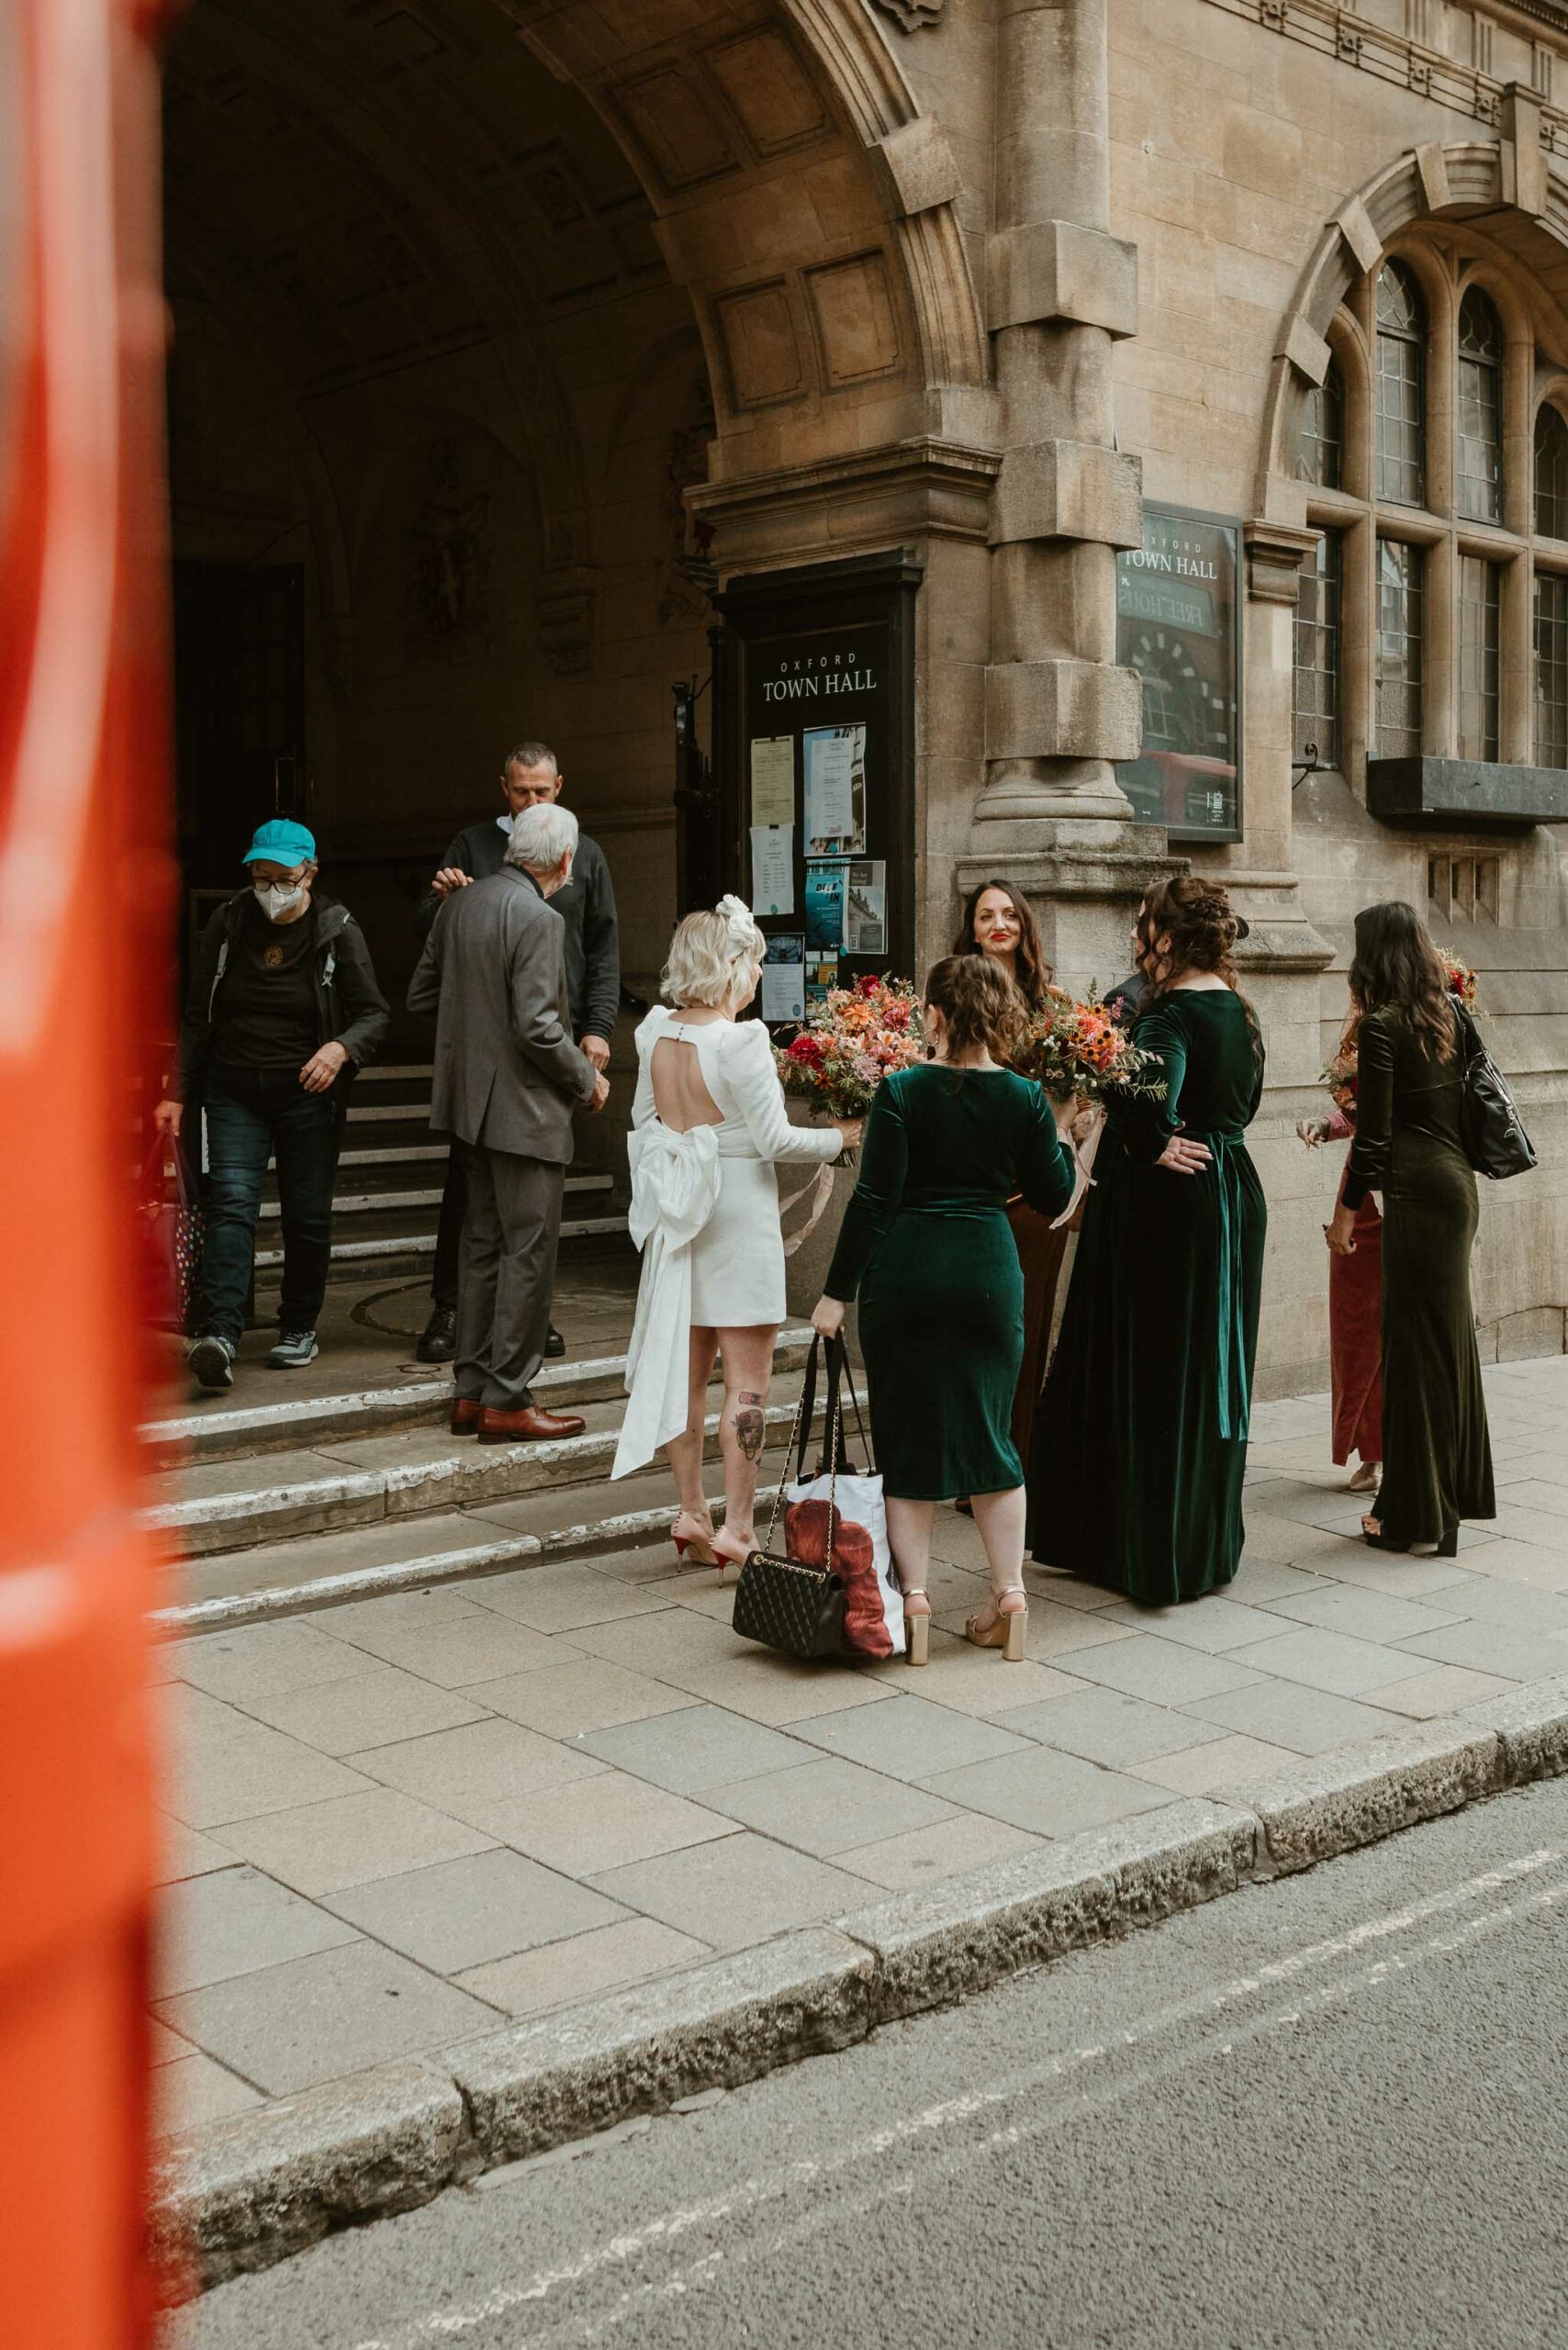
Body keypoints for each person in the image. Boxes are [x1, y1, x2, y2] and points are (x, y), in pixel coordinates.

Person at [812, 957, 1077, 1664]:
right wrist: (1062, 1128)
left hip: (908, 1276)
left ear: (933, 1014)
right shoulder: (1023, 1097)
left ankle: (919, 1603)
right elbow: (1053, 1198)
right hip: (988, 1275)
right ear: (997, 1018)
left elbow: (873, 1202)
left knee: (909, 1441)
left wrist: (836, 1292)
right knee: (993, 1436)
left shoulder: (900, 1092)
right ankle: (1010, 1594)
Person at [1029, 878, 1266, 1605]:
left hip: (1168, 1208)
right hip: (1231, 1188)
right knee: (1205, 1370)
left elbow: (1145, 1105)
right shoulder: (1239, 1008)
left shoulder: (1168, 1016)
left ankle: (1148, 1552)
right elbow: (1246, 1103)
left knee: (1154, 1372)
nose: (1137, 936)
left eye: (1143, 925)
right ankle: (1200, 1547)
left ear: (1167, 937)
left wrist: (1152, 1140)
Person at [611, 899, 858, 1570]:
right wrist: (838, 1140)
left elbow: (647, 1124)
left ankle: (691, 1511)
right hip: (738, 1218)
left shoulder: (655, 1034)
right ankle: (740, 1528)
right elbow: (776, 1140)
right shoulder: (741, 1042)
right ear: (730, 967)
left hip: (680, 1217)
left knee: (685, 1379)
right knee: (746, 1386)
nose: (756, 978)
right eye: (753, 963)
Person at [155, 819, 389, 1392]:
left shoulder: (337, 929)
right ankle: (220, 1334)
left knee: (305, 1214)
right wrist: (175, 1091)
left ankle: (298, 1326)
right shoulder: (229, 921)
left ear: (310, 873)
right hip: (232, 1089)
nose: (271, 890)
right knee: (232, 1205)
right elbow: (197, 1014)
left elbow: (375, 1014)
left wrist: (340, 1049)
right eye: (261, 878)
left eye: (284, 878)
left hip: (308, 1095)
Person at [406, 802, 609, 1443]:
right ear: (566, 861)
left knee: (481, 1248)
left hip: (469, 1105)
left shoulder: (458, 907)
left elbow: (421, 997)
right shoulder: (540, 918)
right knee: (527, 1253)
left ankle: (471, 1391)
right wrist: (588, 1078)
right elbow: (541, 1028)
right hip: (524, 1112)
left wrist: (475, 1039)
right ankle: (508, 1398)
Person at [1324, 902, 1495, 1555]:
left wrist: (1346, 1214)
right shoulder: (1448, 1013)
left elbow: (1373, 1137)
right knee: (1445, 1347)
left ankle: (1421, 1517)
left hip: (1415, 1192)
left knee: (1413, 1352)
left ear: (1373, 956)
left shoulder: (1384, 1026)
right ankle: (1433, 1506)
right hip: (1457, 1189)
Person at [953, 878, 1075, 1470]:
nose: (998, 925)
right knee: (970, 1327)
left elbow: (1072, 1091)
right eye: (985, 916)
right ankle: (966, 1455)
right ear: (970, 928)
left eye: (1009, 916)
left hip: (1032, 1190)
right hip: (966, 1186)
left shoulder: (1054, 1002)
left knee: (1024, 1327)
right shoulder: (951, 996)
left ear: (1025, 927)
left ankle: (1011, 1457)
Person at [1299, 1018, 1383, 1494]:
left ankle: (1396, 1451)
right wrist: (1323, 1125)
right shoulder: (1358, 1037)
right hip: (1362, 1199)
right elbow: (1356, 1116)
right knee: (1356, 1329)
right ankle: (1371, 1451)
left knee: (1392, 1327)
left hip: (1396, 1196)